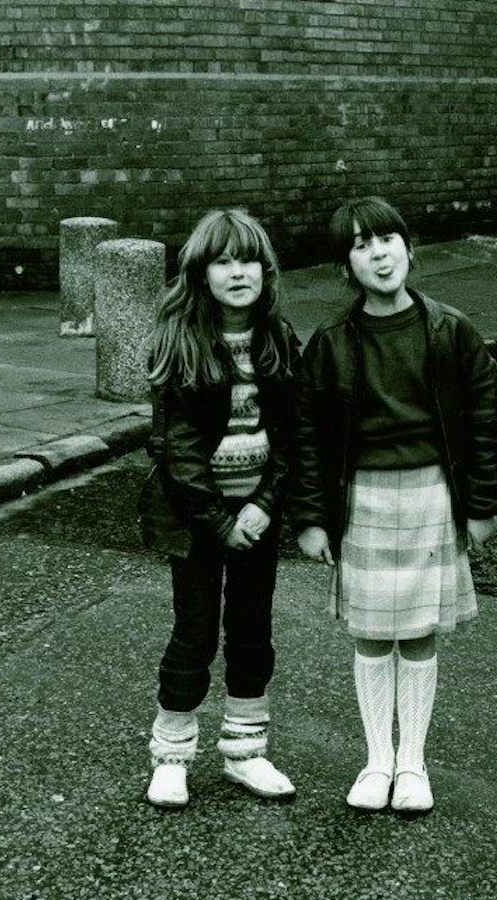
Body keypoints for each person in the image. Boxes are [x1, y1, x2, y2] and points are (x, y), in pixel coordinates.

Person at [292, 196, 497, 815]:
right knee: (369, 635)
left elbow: (483, 422)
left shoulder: (452, 330)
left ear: (409, 248)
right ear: (346, 267)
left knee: (417, 635)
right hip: (361, 499)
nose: (378, 253)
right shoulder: (331, 343)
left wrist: (481, 505)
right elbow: (307, 436)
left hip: (431, 496)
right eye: (361, 245)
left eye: (387, 238)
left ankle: (412, 763)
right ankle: (375, 760)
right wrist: (310, 517)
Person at [137, 208, 301, 809]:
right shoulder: (180, 342)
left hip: (256, 518)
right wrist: (220, 523)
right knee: (195, 632)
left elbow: (290, 434)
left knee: (253, 633)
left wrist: (262, 504)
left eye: (249, 259)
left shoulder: (278, 338)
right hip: (197, 521)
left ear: (267, 269)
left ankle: (246, 751)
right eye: (223, 261)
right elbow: (176, 449)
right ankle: (172, 755)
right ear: (201, 274)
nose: (238, 272)